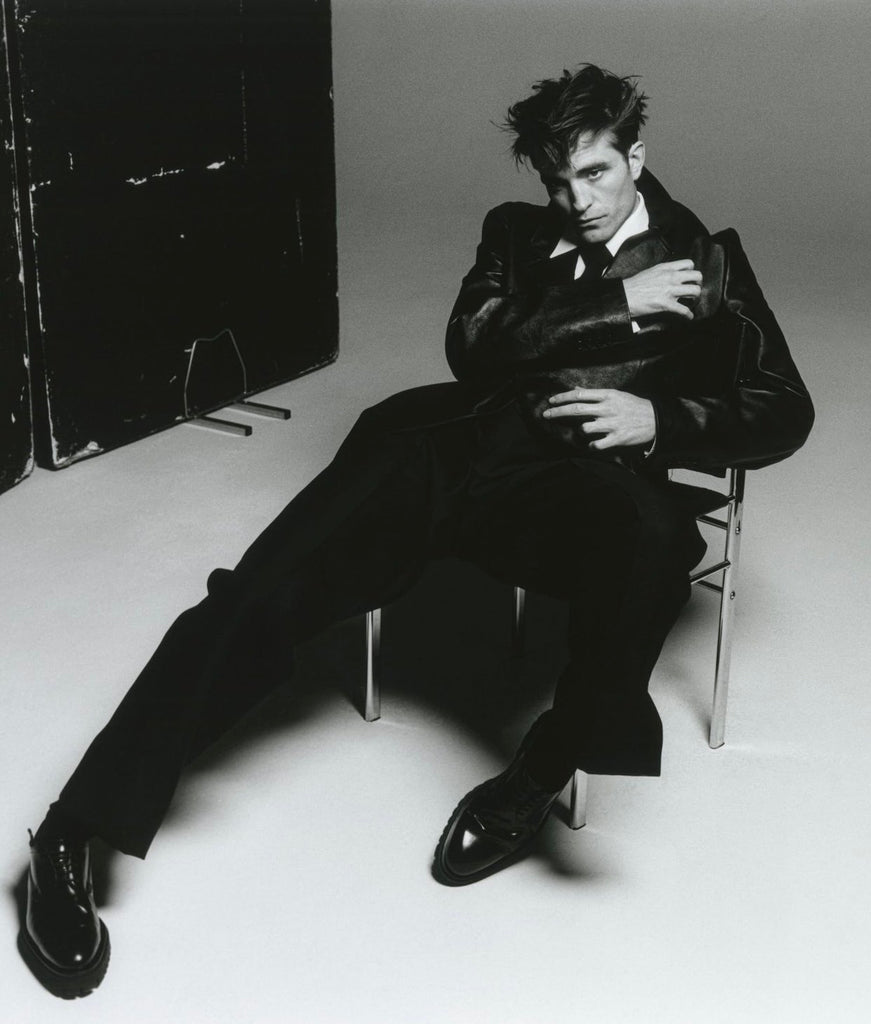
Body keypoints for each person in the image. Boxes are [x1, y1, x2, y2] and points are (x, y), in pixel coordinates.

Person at [19, 64, 813, 997]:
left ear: (636, 156)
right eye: (558, 182)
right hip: (444, 452)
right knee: (254, 597)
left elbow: (783, 407)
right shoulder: (514, 233)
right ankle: (71, 832)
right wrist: (617, 304)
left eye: (595, 174)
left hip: (575, 490)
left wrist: (660, 421)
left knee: (656, 544)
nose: (577, 201)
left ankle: (537, 773)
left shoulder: (706, 261)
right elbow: (471, 346)